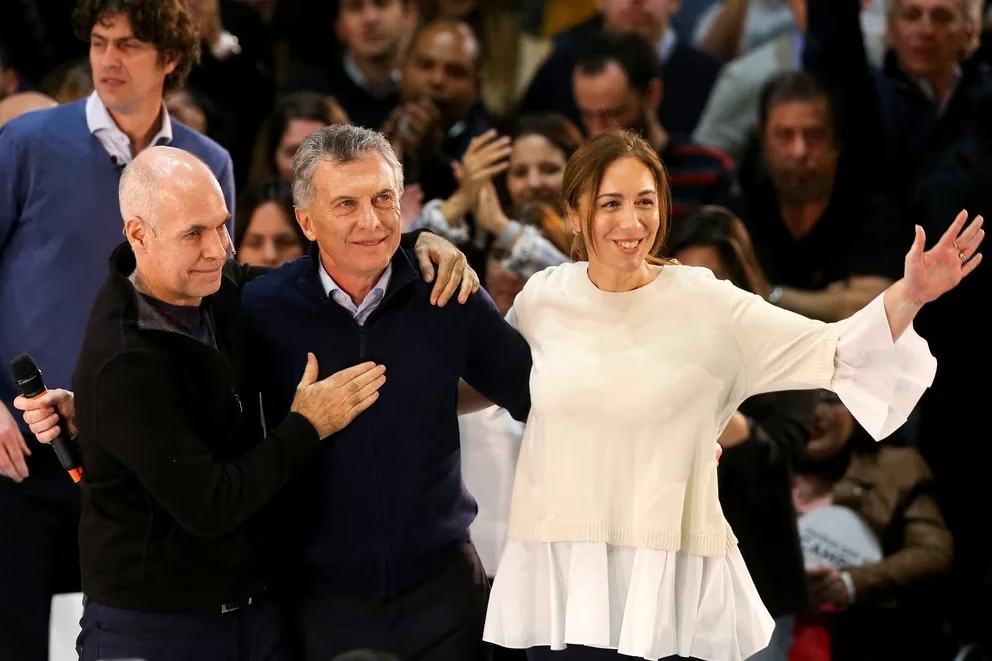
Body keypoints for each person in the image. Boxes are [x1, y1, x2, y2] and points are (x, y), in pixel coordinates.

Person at [472, 130, 982, 660]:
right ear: (575, 214)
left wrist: (911, 294)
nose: (632, 221)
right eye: (611, 203)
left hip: (666, 583)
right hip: (561, 577)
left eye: (645, 201)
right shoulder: (543, 297)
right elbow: (481, 384)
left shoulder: (706, 301)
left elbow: (836, 348)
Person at [14, 145, 480, 661]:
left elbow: (304, 283)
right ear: (139, 235)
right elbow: (213, 504)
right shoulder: (122, 364)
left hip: (256, 613)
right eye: (194, 234)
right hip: (158, 628)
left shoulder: (210, 285)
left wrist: (411, 244)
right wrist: (307, 424)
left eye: (221, 226)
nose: (218, 249)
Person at [240, 124, 533, 661]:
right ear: (305, 221)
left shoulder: (447, 292)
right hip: (318, 598)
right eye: (346, 204)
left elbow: (537, 395)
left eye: (382, 199)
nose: (371, 221)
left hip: (443, 590)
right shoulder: (261, 309)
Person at [0, 1, 233, 658]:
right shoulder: (25, 142)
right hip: (20, 445)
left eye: (128, 45)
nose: (108, 59)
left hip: (138, 456)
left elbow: (214, 300)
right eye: (100, 41)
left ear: (170, 58)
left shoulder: (206, 162)